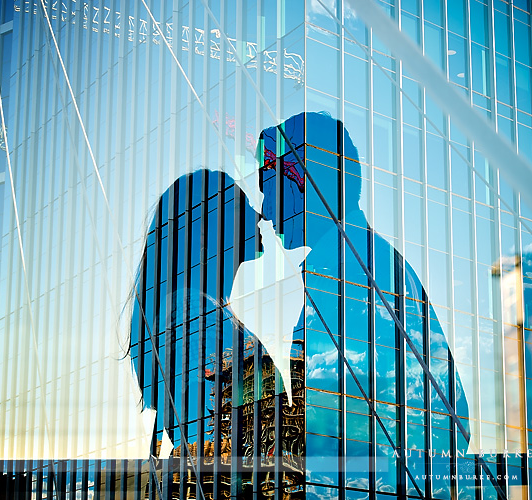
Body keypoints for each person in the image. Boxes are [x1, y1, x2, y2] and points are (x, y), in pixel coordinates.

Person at [127, 112, 471, 491]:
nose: (264, 213)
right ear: (209, 233)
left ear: (302, 179)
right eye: (248, 199)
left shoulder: (345, 272)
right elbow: (230, 439)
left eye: (266, 183)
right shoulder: (202, 314)